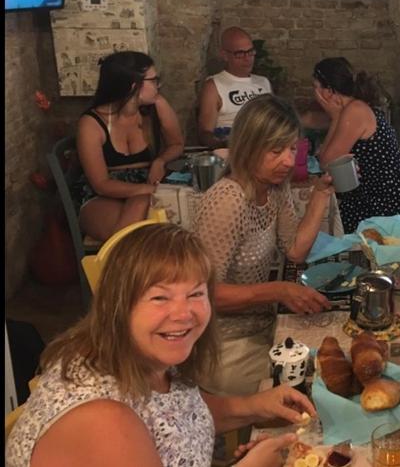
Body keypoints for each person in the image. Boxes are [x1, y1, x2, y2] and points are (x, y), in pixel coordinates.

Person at [5, 223, 316, 467]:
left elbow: (176, 414)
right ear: (119, 306)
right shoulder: (103, 420)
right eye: (159, 297)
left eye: (196, 294)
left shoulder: (140, 355)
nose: (184, 314)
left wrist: (254, 406)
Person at [193, 94, 332, 396]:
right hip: (223, 346)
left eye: (292, 148)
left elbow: (295, 249)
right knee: (316, 380)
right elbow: (205, 294)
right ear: (249, 147)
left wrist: (321, 193)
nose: (287, 160)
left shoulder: (272, 187)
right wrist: (279, 290)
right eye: (275, 150)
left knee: (332, 354)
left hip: (261, 327)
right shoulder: (227, 200)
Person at [76, 51, 184, 241]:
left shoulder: (155, 106)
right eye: (153, 80)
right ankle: (126, 264)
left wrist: (160, 161)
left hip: (147, 181)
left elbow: (176, 144)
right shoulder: (91, 123)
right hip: (104, 193)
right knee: (138, 224)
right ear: (134, 86)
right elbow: (101, 184)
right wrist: (147, 191)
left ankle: (119, 265)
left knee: (139, 231)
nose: (158, 85)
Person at [313, 57, 400, 233]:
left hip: (388, 205)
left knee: (323, 216)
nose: (314, 94)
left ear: (328, 92)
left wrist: (335, 116)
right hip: (381, 194)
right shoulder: (355, 105)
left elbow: (326, 162)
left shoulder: (354, 111)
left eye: (316, 87)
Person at [197, 27, 272, 149]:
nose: (247, 58)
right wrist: (226, 144)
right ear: (225, 55)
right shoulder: (214, 86)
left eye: (250, 52)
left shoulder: (263, 82)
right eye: (240, 54)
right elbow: (205, 133)